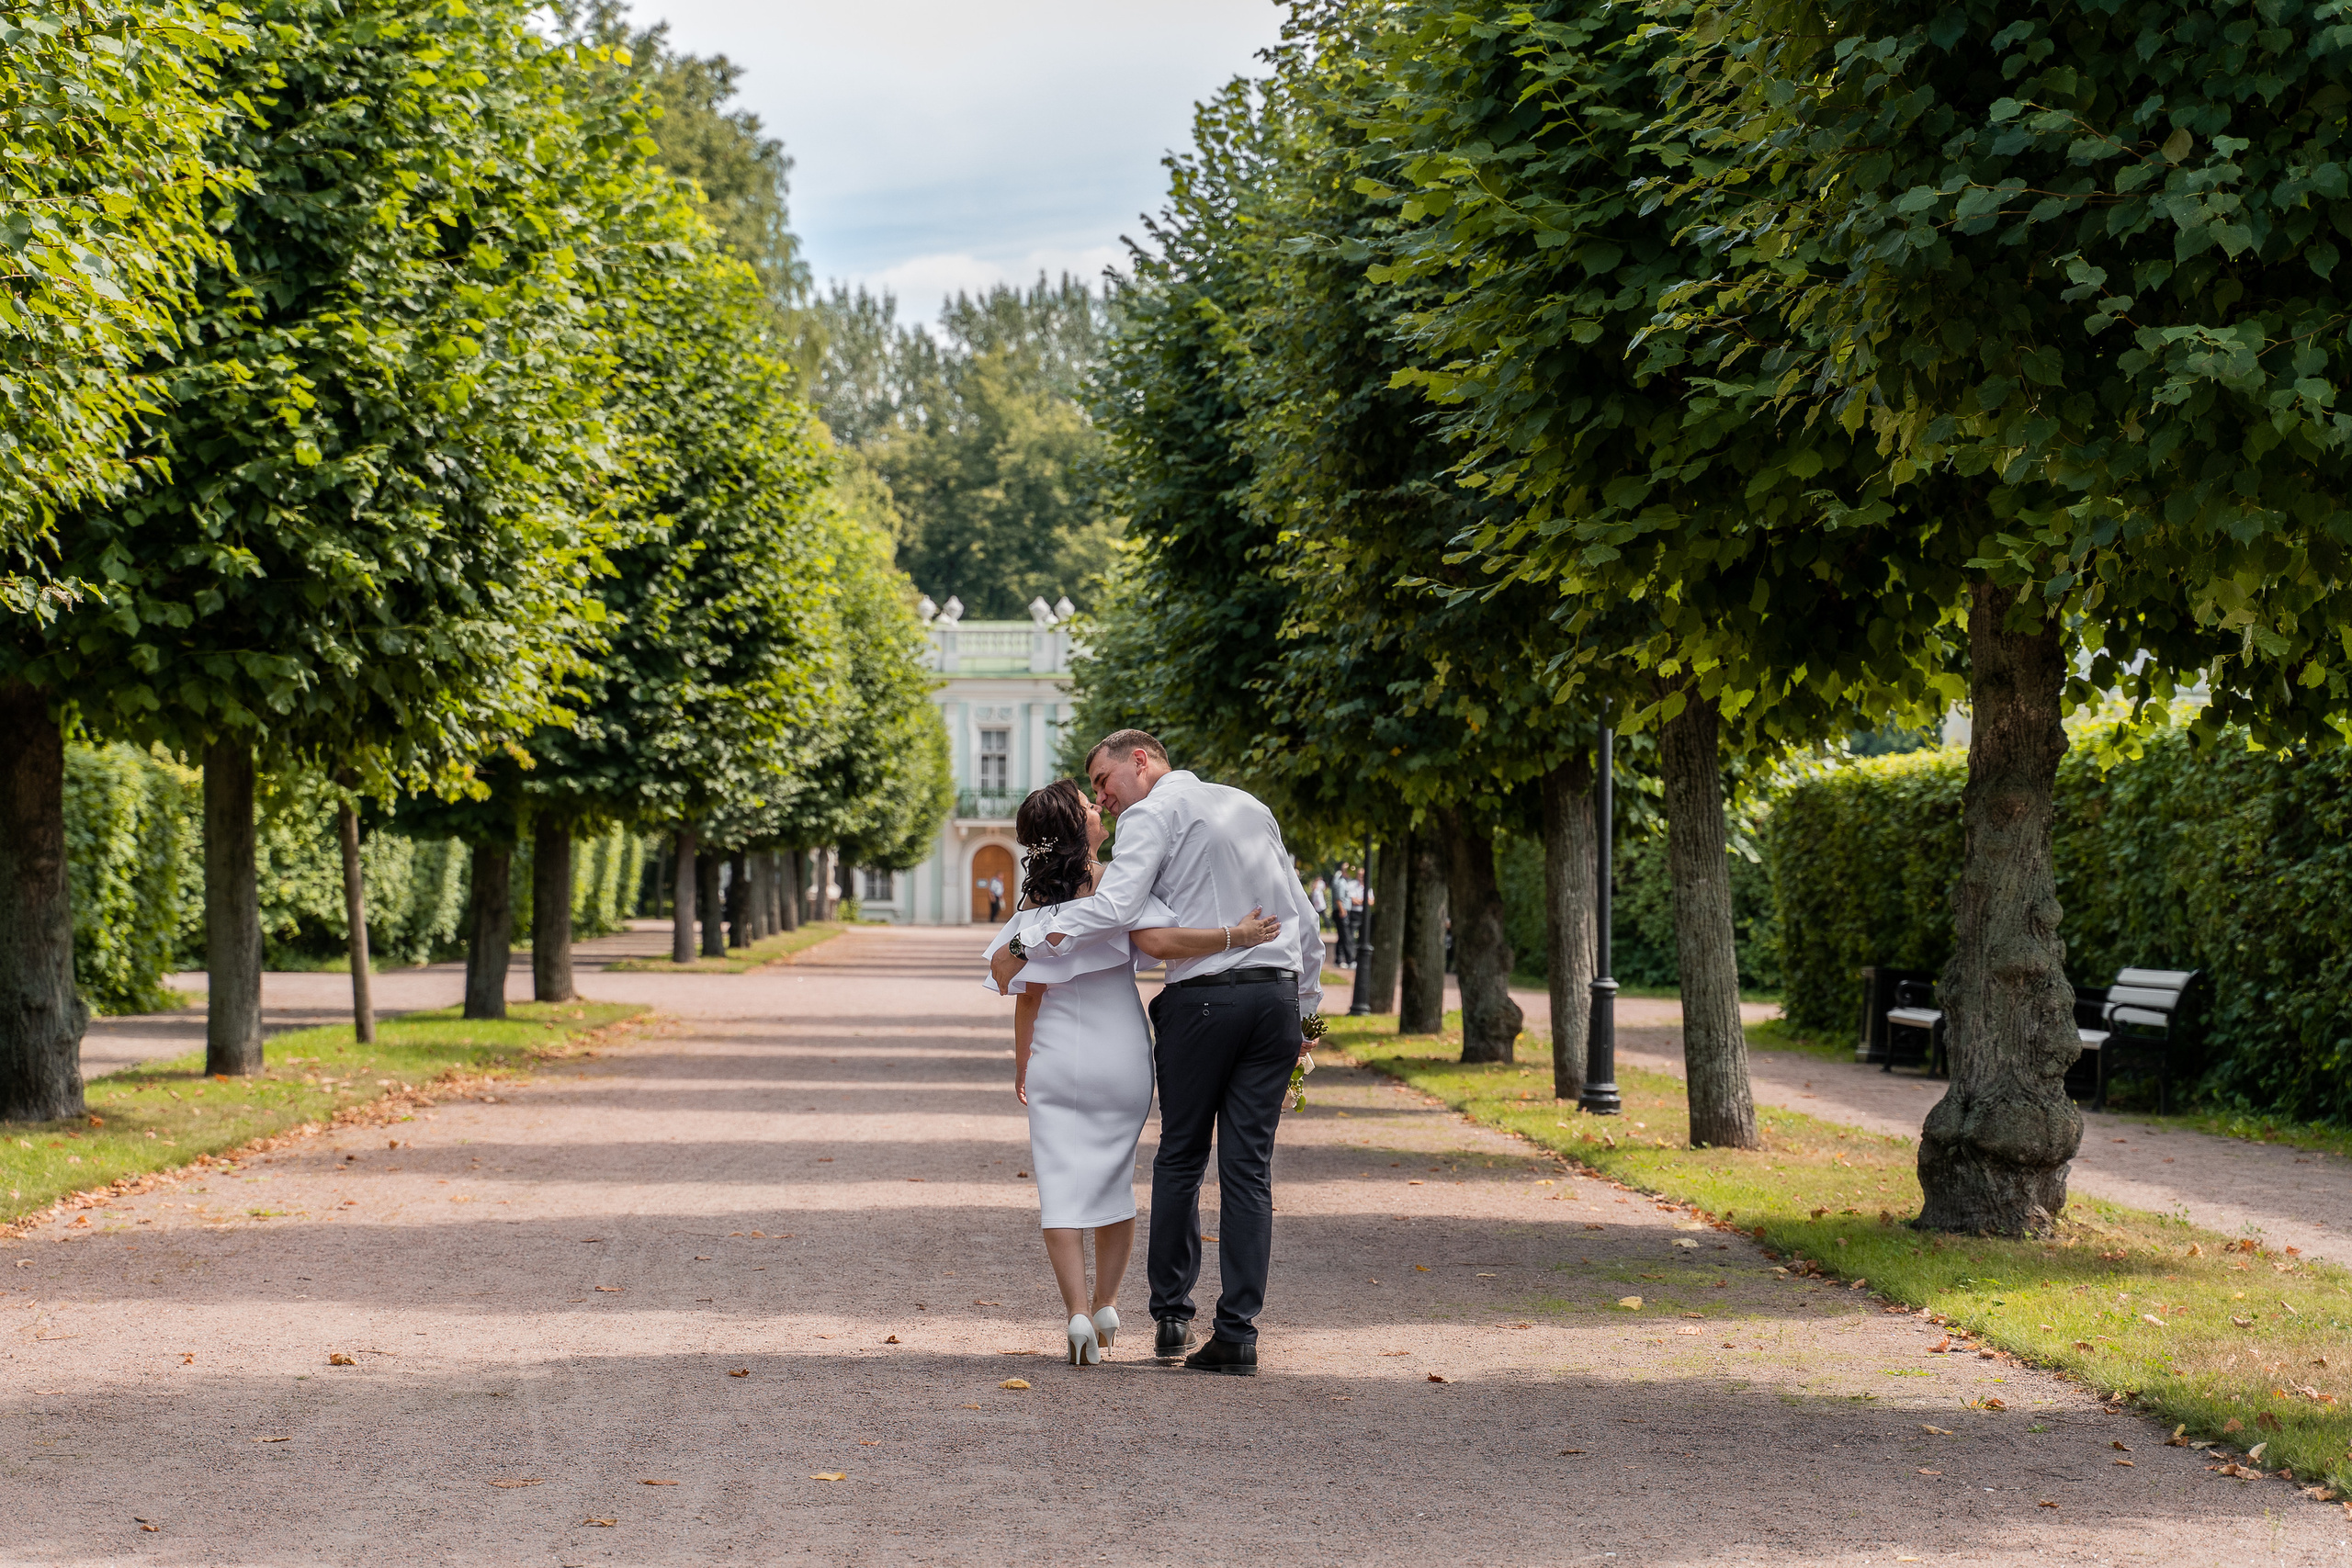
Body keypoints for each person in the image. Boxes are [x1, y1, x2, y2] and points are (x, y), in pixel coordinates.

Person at [991, 729, 1325, 1376]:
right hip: (1274, 997)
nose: (1102, 797)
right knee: (1249, 1167)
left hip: (1203, 1003)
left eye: (1102, 780)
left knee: (1181, 1155)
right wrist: (1305, 1009)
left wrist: (1038, 936)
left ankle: (1173, 1317)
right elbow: (1302, 916)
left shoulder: (1151, 813)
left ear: (1139, 760)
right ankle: (1239, 1332)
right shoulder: (1250, 805)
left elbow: (1117, 906)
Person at [1330, 863, 1361, 967]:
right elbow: (1338, 898)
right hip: (1341, 911)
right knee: (1346, 936)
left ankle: (1339, 959)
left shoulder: (1343, 881)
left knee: (1342, 936)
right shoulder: (1341, 882)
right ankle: (1349, 960)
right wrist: (1342, 911)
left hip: (1342, 911)